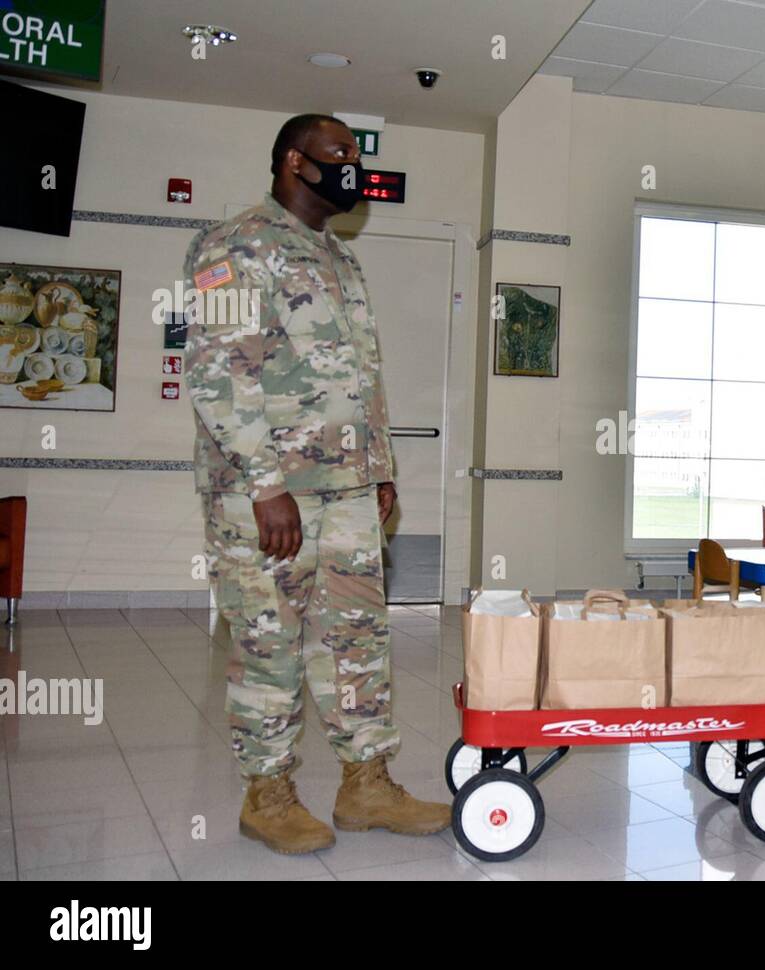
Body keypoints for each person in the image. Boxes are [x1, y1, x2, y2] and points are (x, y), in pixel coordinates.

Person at [184, 113, 450, 854]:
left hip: (348, 490)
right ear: (294, 163)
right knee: (270, 641)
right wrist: (265, 484)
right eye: (339, 153)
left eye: (358, 155)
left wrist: (380, 469)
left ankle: (367, 785)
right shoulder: (235, 247)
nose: (353, 167)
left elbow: (360, 376)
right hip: (267, 495)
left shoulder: (340, 259)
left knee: (357, 637)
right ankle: (266, 796)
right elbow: (217, 375)